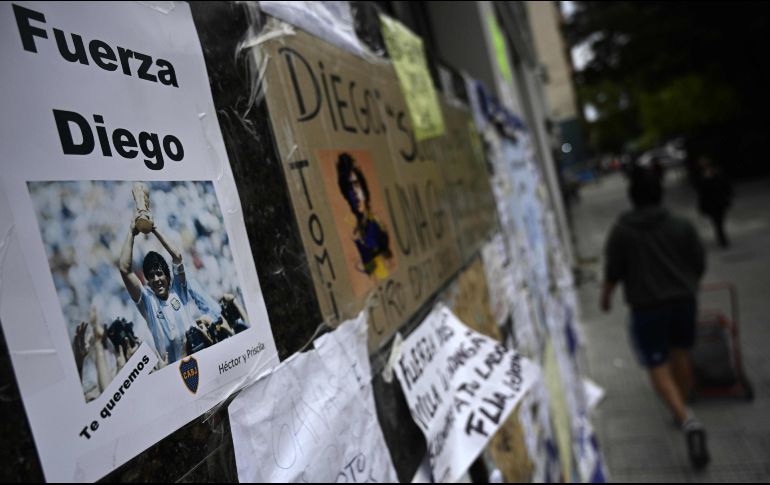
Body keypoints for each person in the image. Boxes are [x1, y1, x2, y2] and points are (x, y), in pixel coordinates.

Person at [600, 167, 710, 469]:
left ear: (632, 197)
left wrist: (606, 296)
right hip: (683, 302)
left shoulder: (622, 230)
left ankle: (686, 419)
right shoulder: (680, 224)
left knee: (657, 365)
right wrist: (688, 284)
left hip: (647, 308)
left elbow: (613, 271)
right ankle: (683, 407)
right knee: (681, 354)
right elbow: (698, 262)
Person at [118, 219, 211, 366]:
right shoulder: (147, 302)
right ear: (147, 281)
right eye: (151, 276)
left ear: (167, 276)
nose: (156, 279)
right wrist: (131, 232)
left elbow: (177, 257)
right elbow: (125, 269)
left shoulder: (178, 290)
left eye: (159, 273)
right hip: (174, 370)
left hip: (200, 358)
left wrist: (154, 228)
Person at [336, 152, 393, 279]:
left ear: (364, 188)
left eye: (356, 185)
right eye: (349, 189)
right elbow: (369, 271)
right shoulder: (355, 232)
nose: (354, 194)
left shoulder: (377, 223)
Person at [696, 157, 733, 248]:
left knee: (719, 220)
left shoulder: (717, 172)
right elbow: (701, 191)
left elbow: (724, 184)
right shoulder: (701, 175)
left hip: (719, 201)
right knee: (717, 221)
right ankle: (722, 239)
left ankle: (721, 237)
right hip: (711, 203)